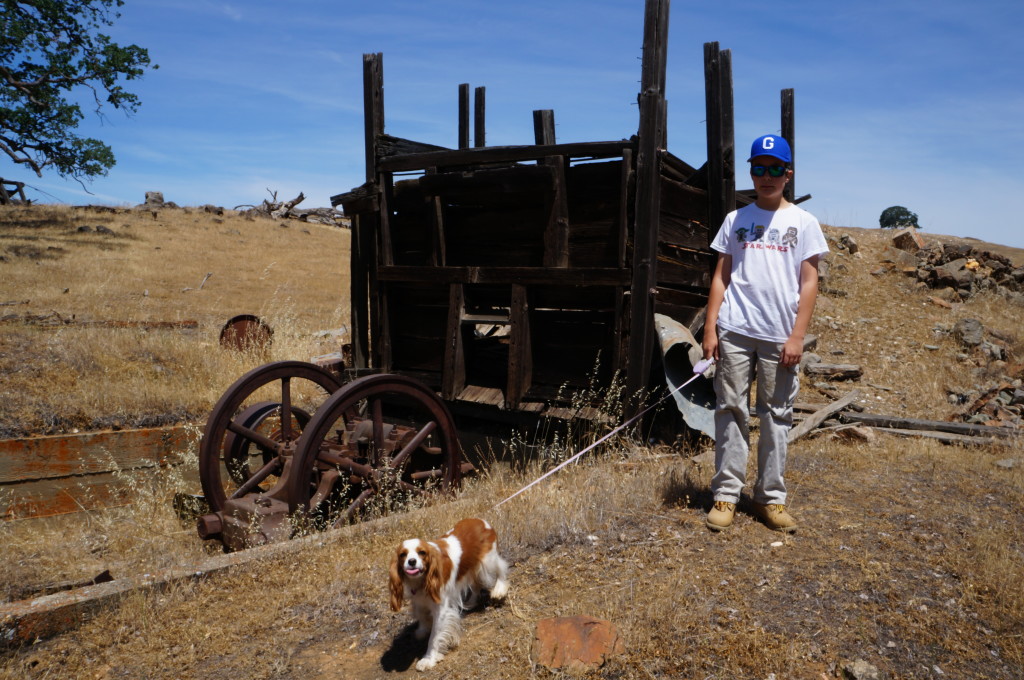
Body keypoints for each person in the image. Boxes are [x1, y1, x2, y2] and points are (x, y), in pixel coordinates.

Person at [701, 134, 829, 533]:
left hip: (779, 336)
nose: (767, 176)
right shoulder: (735, 220)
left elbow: (809, 283)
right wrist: (710, 327)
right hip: (735, 330)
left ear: (788, 174)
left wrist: (797, 336)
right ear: (751, 172)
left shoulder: (804, 223)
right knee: (730, 410)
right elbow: (722, 276)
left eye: (776, 169)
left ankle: (769, 498)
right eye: (760, 168)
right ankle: (726, 493)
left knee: (776, 415)